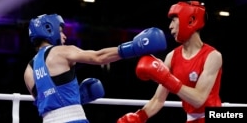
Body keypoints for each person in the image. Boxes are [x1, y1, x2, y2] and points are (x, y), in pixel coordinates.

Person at [23, 13, 167, 123]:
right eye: (61, 31)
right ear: (49, 29)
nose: (64, 36)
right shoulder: (61, 51)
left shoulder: (27, 72)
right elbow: (99, 57)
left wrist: (79, 98)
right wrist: (135, 48)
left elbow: (46, 102)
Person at [117, 1, 223, 123]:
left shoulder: (213, 56)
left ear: (190, 20)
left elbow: (199, 99)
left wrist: (167, 79)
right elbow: (158, 99)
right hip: (191, 119)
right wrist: (140, 116)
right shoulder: (171, 57)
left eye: (174, 20)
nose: (170, 26)